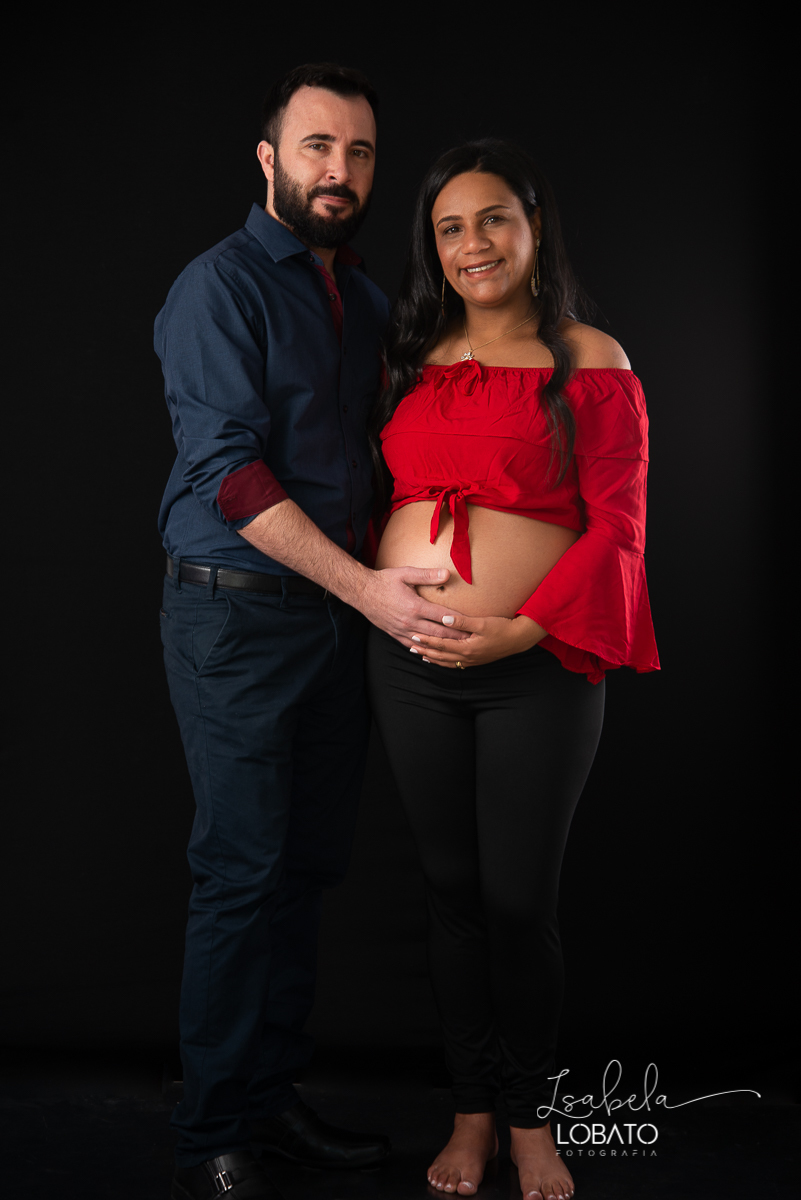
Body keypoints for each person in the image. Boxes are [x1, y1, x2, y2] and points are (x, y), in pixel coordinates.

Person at [156, 64, 468, 1200]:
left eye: (362, 153)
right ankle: (211, 1133)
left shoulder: (371, 304)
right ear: (270, 159)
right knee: (240, 871)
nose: (340, 171)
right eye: (318, 147)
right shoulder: (218, 288)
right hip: (236, 618)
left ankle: (271, 1098)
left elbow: (392, 461)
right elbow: (231, 478)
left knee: (304, 871)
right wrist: (371, 591)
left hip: (338, 617)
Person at [366, 139, 660, 1200]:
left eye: (493, 219)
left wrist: (519, 628)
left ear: (535, 233)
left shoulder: (592, 359)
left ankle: (535, 1117)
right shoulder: (412, 355)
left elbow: (618, 530)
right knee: (447, 891)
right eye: (450, 228)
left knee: (515, 898)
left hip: (539, 660)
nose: (473, 243)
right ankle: (473, 1112)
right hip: (406, 665)